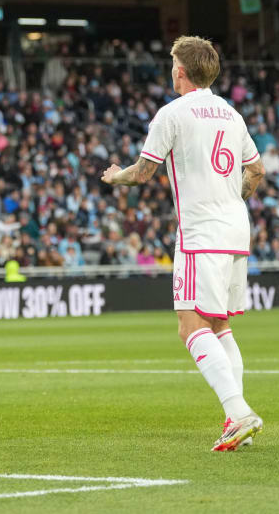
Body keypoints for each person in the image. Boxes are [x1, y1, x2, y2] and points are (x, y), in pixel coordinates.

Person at [101, 36, 266, 451]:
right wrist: (233, 198)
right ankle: (235, 420)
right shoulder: (232, 114)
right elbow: (257, 171)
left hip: (200, 233)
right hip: (236, 230)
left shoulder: (172, 114)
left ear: (180, 70)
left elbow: (143, 174)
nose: (170, 69)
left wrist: (115, 175)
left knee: (189, 324)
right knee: (220, 325)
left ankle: (240, 412)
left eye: (172, 63)